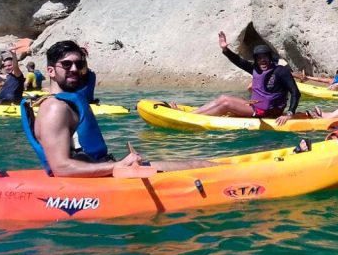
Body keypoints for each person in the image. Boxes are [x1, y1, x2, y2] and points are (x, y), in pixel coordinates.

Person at [22, 40, 216, 177]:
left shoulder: (66, 102)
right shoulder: (55, 109)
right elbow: (61, 168)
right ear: (50, 71)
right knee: (200, 166)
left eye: (78, 64)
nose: (74, 69)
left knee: (201, 164)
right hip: (101, 180)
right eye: (66, 64)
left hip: (103, 171)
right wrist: (118, 165)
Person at [190, 32, 301, 125]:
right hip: (256, 107)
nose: (263, 60)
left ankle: (193, 120)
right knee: (223, 98)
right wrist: (225, 49)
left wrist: (290, 114)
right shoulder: (256, 69)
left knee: (226, 104)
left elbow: (295, 92)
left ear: (270, 58)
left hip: (269, 112)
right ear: (256, 60)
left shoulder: (281, 71)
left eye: (265, 57)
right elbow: (238, 61)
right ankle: (191, 115)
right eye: (259, 58)